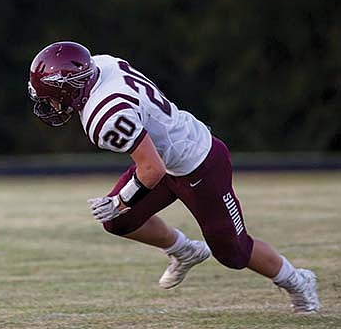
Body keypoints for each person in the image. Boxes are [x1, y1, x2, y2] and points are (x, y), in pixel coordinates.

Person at [27, 41, 320, 314]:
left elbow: (150, 170)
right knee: (118, 222)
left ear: (69, 89)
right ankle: (184, 250)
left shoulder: (103, 116)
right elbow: (152, 162)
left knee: (233, 252)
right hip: (165, 158)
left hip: (199, 164)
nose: (48, 104)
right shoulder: (102, 64)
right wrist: (120, 208)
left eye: (50, 97)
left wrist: (120, 200)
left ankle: (297, 281)